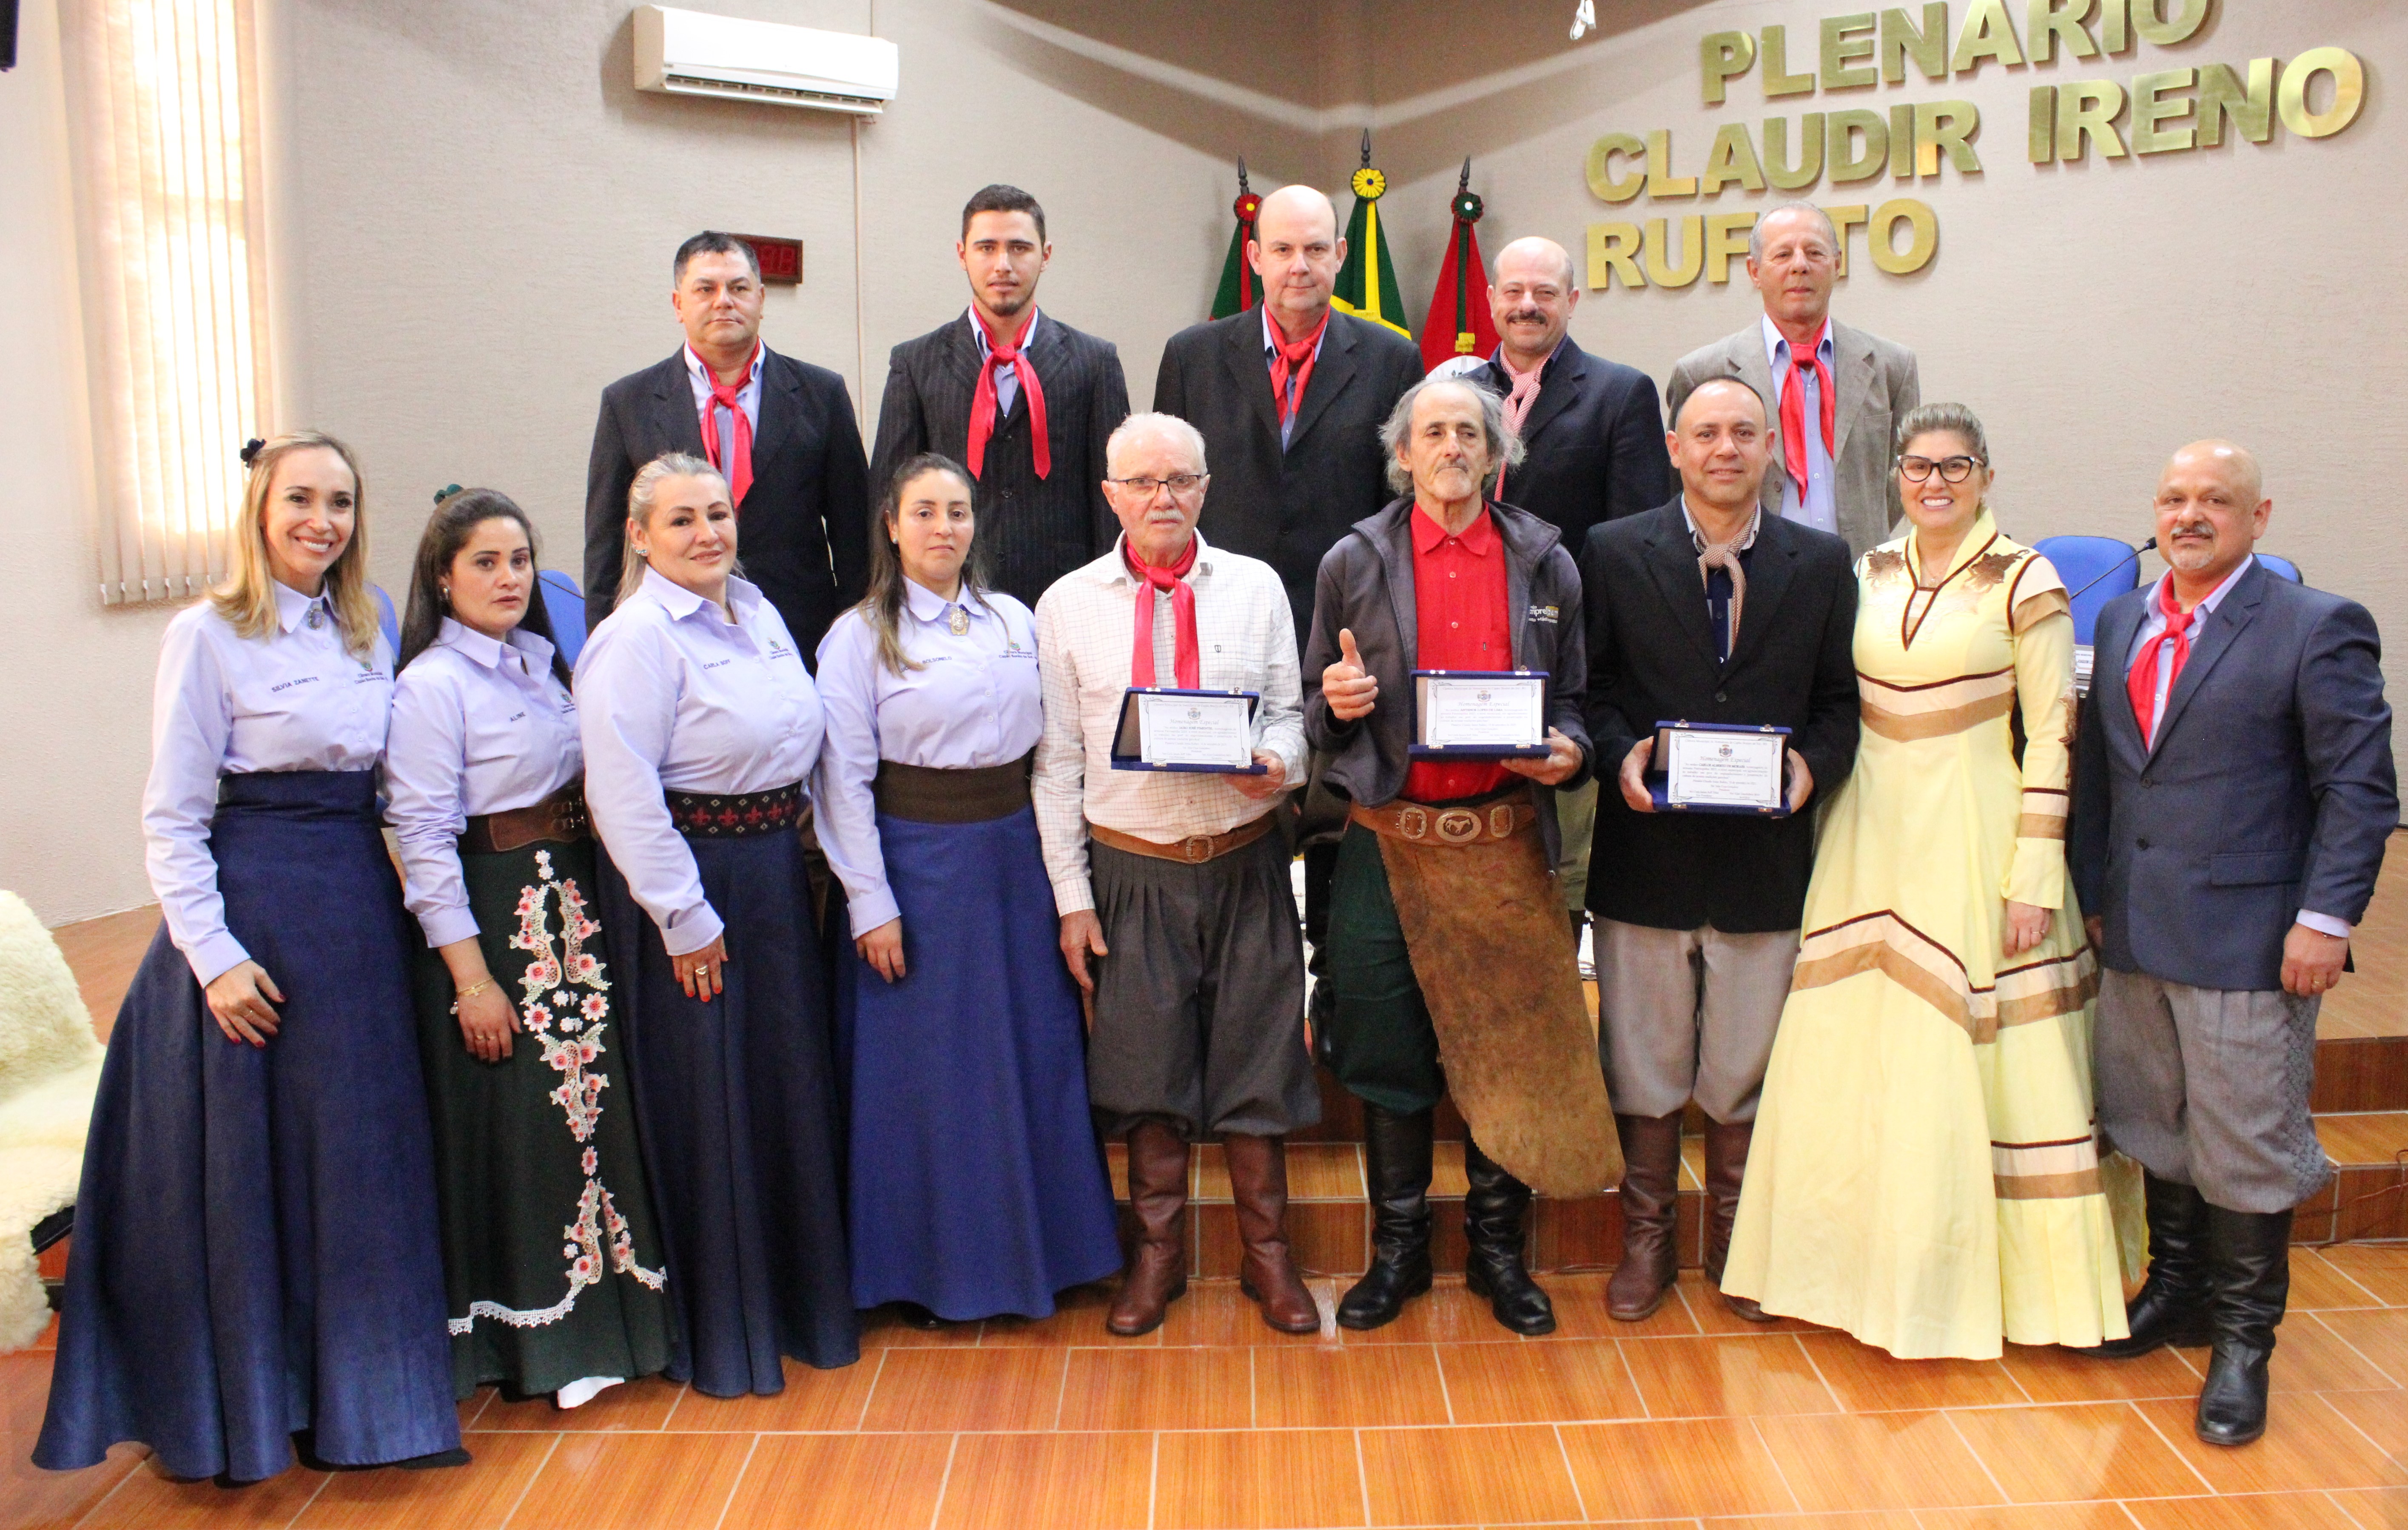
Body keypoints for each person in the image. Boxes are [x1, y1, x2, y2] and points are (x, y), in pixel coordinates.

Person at [36, 433, 463, 1483]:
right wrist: (217, 959)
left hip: (355, 921)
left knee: (357, 1167)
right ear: (259, 509)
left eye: (343, 503)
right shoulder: (207, 633)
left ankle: (367, 1407)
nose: (323, 520)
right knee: (255, 1182)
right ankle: (252, 1409)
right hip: (254, 925)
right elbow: (172, 822)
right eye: (302, 499)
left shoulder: (370, 632)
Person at [1720, 404, 2126, 1358]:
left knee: (1968, 1053)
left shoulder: (2028, 579)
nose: (1933, 482)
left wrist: (2032, 870)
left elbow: (2052, 738)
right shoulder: (1864, 570)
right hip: (1866, 824)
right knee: (1847, 1045)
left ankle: (1978, 1288)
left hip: (1974, 825)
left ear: (1985, 473)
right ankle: (1829, 1269)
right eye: (1915, 466)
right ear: (1895, 475)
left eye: (1953, 466)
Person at [2072, 440, 2395, 1446]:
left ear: (2259, 517)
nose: (2188, 514)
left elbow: (2357, 789)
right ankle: (2175, 1292)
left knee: (2246, 1142)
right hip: (2133, 927)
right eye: (2171, 498)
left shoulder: (2314, 625)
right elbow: (2104, 778)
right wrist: (2090, 894)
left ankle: (2242, 1342)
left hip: (2251, 938)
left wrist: (2323, 921)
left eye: (2215, 499)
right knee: (2154, 1122)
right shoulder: (2123, 615)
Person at [1304, 378, 1617, 1337]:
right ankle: (1395, 1250)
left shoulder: (1545, 561)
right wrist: (1339, 706)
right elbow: (1314, 712)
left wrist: (1568, 751)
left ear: (1494, 456)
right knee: (1384, 1049)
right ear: (1401, 454)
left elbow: (1574, 702)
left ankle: (1497, 1255)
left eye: (1468, 433)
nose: (1449, 446)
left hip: (1503, 842)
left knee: (1515, 1053)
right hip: (1387, 845)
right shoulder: (1350, 561)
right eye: (1431, 431)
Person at [815, 454, 1121, 1325]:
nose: (943, 527)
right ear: (891, 524)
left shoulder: (1012, 620)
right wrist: (870, 901)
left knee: (1029, 1059)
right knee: (935, 1078)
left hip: (1013, 864)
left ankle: (1051, 1253)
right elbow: (842, 780)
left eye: (956, 511)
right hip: (918, 870)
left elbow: (1049, 747)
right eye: (924, 511)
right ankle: (930, 1269)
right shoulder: (857, 637)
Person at [1032, 412, 1318, 1337]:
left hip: (1243, 862)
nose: (1163, 497)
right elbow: (1057, 765)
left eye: (1180, 480)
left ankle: (1266, 1257)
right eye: (1143, 482)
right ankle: (1157, 1257)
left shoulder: (1255, 586)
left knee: (1257, 1062)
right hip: (1130, 871)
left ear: (1205, 486)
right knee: (1145, 1070)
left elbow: (1289, 716)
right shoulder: (1067, 602)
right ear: (1110, 493)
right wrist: (1072, 899)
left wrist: (1275, 765)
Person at [386, 486, 674, 1407]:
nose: (507, 578)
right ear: (442, 577)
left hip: (579, 902)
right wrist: (470, 977)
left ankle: (624, 1316)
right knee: (532, 1124)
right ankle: (549, 1337)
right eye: (483, 562)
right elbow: (424, 838)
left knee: (597, 1112)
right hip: (500, 916)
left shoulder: (548, 665)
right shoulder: (431, 686)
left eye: (518, 559)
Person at [1580, 378, 1860, 1323]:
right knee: (1645, 1058)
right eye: (1705, 432)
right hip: (1646, 853)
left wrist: (1810, 770)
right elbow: (1596, 690)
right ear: (1673, 447)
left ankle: (1737, 1240)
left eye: (1744, 431)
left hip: (1762, 862)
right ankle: (1647, 1240)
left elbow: (1837, 703)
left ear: (1770, 445)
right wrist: (1620, 755)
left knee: (1744, 1059)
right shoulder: (1613, 551)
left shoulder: (1820, 563)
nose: (1725, 448)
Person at [578, 452, 858, 1394]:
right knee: (711, 1099)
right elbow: (621, 793)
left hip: (774, 875)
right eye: (682, 521)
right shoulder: (635, 638)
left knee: (778, 1087)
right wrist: (683, 915)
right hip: (694, 889)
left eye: (719, 513)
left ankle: (793, 1300)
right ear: (640, 536)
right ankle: (725, 1323)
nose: (707, 534)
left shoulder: (760, 609)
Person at [1153, 182, 1425, 1016]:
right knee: (1242, 853)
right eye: (1282, 248)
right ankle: (1250, 1037)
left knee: (1345, 867)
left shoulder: (1389, 358)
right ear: (1255, 258)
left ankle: (1343, 1040)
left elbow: (1400, 512)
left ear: (1341, 257)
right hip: (1226, 643)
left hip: (1349, 652)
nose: (1298, 264)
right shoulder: (1193, 355)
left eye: (1315, 248)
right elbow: (1164, 502)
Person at [1474, 234, 1671, 960]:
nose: (1527, 305)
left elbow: (1634, 544)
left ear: (1572, 301)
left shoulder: (1620, 393)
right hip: (1466, 656)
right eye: (1514, 291)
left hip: (1567, 659)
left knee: (1561, 869)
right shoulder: (1454, 393)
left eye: (1545, 293)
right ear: (1492, 298)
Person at [583, 230, 870, 658]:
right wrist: (606, 649)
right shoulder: (629, 403)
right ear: (678, 304)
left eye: (738, 288)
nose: (724, 301)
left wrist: (857, 642)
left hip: (801, 635)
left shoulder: (821, 394)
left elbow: (855, 538)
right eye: (705, 289)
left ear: (760, 299)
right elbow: (606, 547)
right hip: (674, 640)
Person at [868, 185, 1131, 607]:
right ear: (962, 254)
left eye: (1020, 248)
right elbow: (889, 494)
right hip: (949, 595)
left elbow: (1114, 499)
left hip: (1067, 597)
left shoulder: (1094, 361)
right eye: (986, 248)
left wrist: (1113, 601)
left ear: (1045, 255)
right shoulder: (916, 363)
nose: (1003, 265)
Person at [1666, 204, 1920, 560]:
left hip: (1860, 574)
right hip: (1747, 578)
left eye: (1814, 252)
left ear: (1837, 263)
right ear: (1755, 271)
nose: (1800, 265)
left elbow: (1904, 480)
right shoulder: (1702, 372)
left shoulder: (1892, 367)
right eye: (1783, 254)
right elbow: (1685, 486)